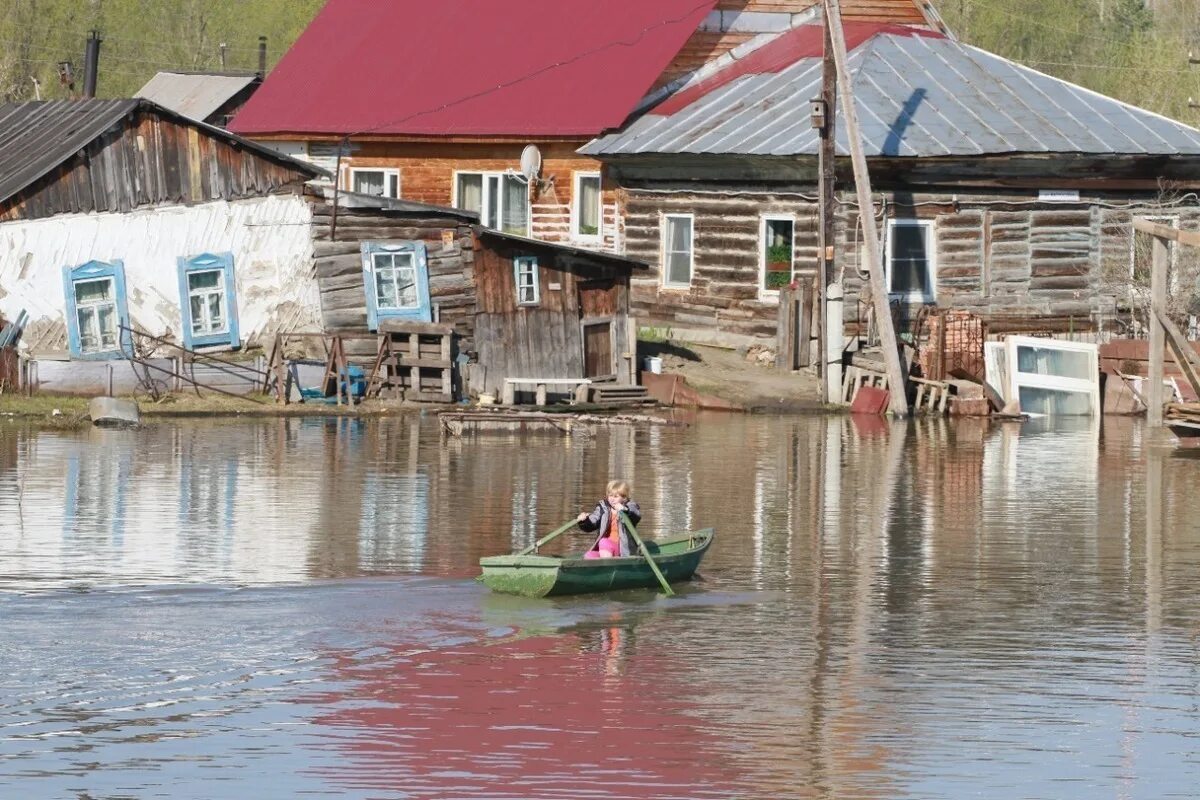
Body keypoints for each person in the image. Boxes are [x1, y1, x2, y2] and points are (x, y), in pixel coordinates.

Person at [577, 479, 642, 559]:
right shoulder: (603, 508)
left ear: (624, 498)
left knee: (603, 541)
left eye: (616, 496)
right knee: (589, 555)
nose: (612, 499)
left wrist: (624, 510)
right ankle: (604, 565)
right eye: (610, 495)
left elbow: (636, 516)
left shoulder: (630, 506)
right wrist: (584, 520)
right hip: (605, 549)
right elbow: (591, 524)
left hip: (624, 550)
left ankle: (609, 565)